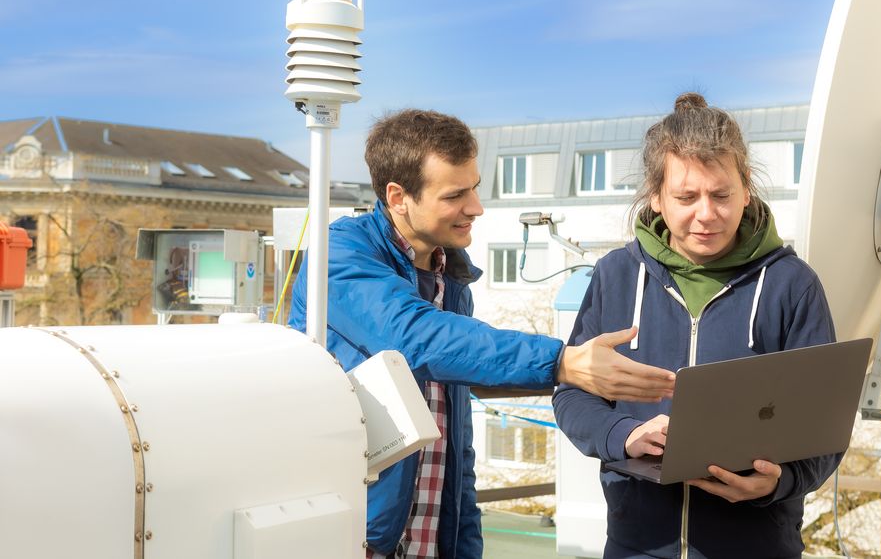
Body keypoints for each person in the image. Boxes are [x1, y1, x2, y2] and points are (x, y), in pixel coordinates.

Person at [288, 108, 676, 558]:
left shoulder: (448, 276)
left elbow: (454, 442)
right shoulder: (340, 255)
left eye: (474, 187)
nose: (476, 207)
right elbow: (417, 338)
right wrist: (563, 362)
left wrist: (466, 541)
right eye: (456, 194)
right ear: (398, 196)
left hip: (433, 538)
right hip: (358, 540)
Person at [552, 93, 841, 559]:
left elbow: (826, 420)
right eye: (686, 197)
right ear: (657, 198)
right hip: (636, 545)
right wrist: (623, 433)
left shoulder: (793, 284)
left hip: (758, 545)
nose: (706, 214)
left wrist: (782, 479)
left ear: (746, 190)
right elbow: (572, 395)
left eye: (721, 195)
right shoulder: (616, 276)